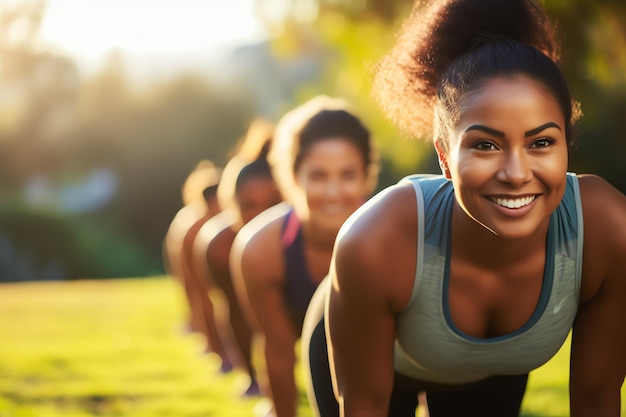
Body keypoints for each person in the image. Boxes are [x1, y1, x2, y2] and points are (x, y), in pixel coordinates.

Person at [301, 0, 626, 416]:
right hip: (372, 369)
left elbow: (598, 400)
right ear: (444, 158)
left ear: (567, 144)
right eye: (485, 145)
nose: (515, 172)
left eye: (541, 142)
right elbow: (363, 405)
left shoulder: (607, 231)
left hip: (486, 376)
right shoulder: (374, 241)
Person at [229, 96, 380, 417]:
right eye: (318, 176)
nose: (333, 192)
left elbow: (418, 355)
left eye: (348, 175)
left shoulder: (394, 240)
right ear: (293, 177)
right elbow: (278, 352)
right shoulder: (259, 250)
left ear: (367, 175)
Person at [192, 119, 283, 395]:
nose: (260, 217)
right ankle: (255, 379)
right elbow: (231, 310)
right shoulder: (219, 247)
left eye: (271, 205)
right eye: (249, 206)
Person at [163, 160, 230, 368]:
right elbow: (195, 288)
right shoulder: (191, 230)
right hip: (191, 256)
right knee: (202, 295)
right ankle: (214, 344)